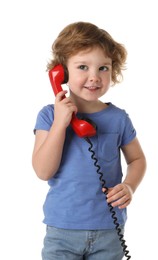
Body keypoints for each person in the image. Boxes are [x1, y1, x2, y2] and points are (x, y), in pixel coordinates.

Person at [32, 21, 146, 260]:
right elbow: (43, 171)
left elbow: (137, 159)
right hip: (62, 231)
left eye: (103, 68)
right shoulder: (49, 116)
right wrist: (61, 123)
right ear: (61, 73)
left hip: (109, 230)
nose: (94, 77)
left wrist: (129, 186)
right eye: (83, 66)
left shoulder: (118, 118)